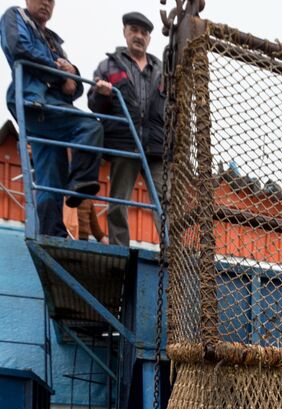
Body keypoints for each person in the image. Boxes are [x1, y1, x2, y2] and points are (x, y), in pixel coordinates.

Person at [0, 0, 104, 237]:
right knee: (90, 126)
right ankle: (80, 182)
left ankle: (51, 234)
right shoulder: (16, 17)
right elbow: (19, 49)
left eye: (52, 0)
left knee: (49, 178)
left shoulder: (54, 42)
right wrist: (60, 75)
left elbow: (74, 88)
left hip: (50, 110)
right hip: (35, 102)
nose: (46, 2)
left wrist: (73, 74)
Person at [88, 11, 164, 246]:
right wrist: (101, 94)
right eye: (134, 30)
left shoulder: (162, 70)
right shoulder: (108, 65)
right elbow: (93, 104)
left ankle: (172, 250)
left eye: (144, 33)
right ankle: (119, 249)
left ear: (149, 38)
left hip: (156, 146)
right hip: (124, 141)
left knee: (166, 200)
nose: (139, 36)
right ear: (125, 32)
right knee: (118, 201)